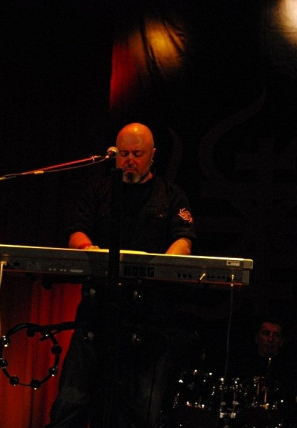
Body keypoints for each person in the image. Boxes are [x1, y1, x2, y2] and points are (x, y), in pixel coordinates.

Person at [47, 123, 200, 428]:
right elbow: (77, 231)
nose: (129, 160)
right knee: (70, 404)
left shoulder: (171, 195)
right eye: (124, 154)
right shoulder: (98, 191)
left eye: (137, 154)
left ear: (152, 155)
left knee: (141, 410)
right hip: (96, 316)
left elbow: (184, 239)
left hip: (148, 319)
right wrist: (89, 249)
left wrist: (162, 265)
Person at [233, 317, 297, 428]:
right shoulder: (242, 365)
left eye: (276, 335)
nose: (270, 339)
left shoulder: (290, 369)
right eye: (266, 333)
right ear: (256, 338)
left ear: (281, 342)